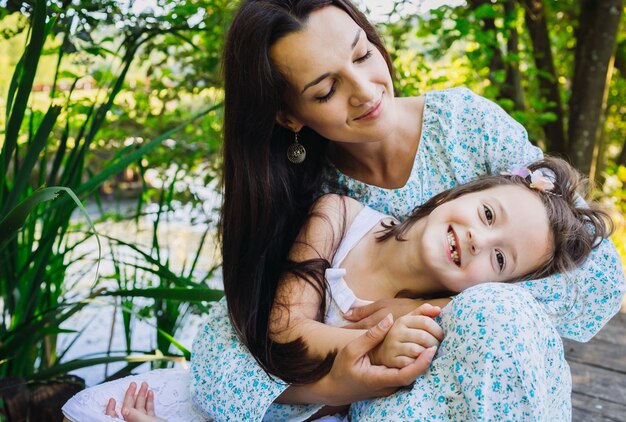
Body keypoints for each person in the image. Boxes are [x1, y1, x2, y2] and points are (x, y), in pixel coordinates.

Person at [62, 0, 625, 420]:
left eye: (363, 53)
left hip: (491, 380)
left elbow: (590, 273)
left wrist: (430, 308)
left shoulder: (464, 125)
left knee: (494, 316)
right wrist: (341, 381)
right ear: (289, 116)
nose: (365, 90)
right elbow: (250, 336)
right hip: (379, 392)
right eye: (327, 89)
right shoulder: (317, 199)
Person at [268, 157, 612, 383]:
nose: (479, 241)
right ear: (453, 196)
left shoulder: (432, 327)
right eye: (488, 215)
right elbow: (284, 331)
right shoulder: (338, 216)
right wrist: (374, 346)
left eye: (500, 259)